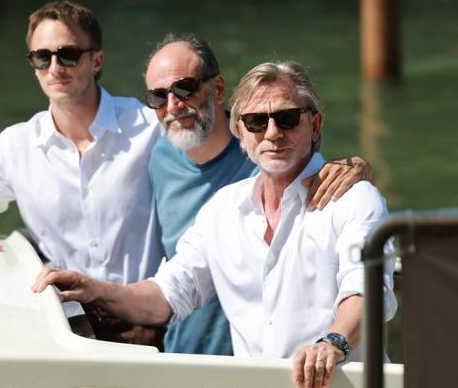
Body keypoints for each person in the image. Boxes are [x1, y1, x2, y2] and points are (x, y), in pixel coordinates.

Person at [32, 60, 397, 388]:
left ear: (313, 123)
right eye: (256, 121)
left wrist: (333, 342)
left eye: (286, 118)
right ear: (239, 131)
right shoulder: (221, 209)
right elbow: (167, 296)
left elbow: (367, 289)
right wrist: (92, 288)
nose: (271, 133)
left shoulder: (353, 197)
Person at [0, 0, 166, 345]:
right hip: (68, 328)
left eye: (67, 55)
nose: (54, 67)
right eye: (41, 57)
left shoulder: (148, 128)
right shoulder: (19, 145)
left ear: (96, 60)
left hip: (146, 320)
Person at [143, 35, 372, 356]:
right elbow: (169, 281)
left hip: (255, 363)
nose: (173, 105)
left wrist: (358, 167)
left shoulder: (276, 164)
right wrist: (96, 293)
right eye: (158, 96)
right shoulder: (158, 155)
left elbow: (365, 284)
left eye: (184, 89)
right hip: (183, 356)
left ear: (217, 89)